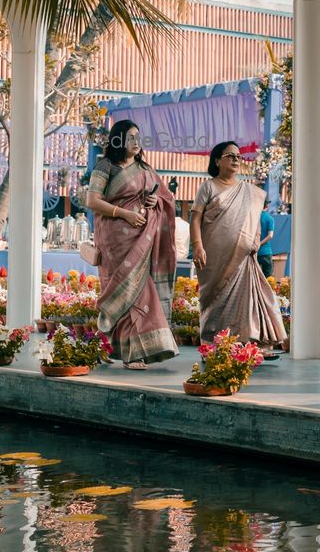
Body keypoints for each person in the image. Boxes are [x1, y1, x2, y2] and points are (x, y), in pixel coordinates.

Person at [86, 120, 178, 369]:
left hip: (141, 237)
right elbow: (93, 201)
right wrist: (123, 213)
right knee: (124, 290)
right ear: (118, 139)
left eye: (139, 137)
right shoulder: (105, 166)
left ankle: (116, 348)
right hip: (115, 241)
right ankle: (129, 352)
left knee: (139, 291)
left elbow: (163, 199)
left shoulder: (145, 168)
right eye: (131, 137)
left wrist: (152, 201)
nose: (137, 142)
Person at [190, 142, 285, 358]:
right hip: (213, 257)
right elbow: (195, 219)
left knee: (248, 299)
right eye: (229, 156)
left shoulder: (249, 192)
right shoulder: (208, 187)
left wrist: (255, 241)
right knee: (214, 300)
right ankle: (213, 346)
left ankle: (251, 345)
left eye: (238, 156)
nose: (235, 160)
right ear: (217, 161)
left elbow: (255, 223)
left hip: (244, 257)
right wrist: (197, 246)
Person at [257, 195, 275, 279]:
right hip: (266, 252)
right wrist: (260, 243)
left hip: (254, 252)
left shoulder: (254, 217)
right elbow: (270, 235)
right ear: (267, 206)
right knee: (268, 279)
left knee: (255, 278)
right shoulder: (269, 218)